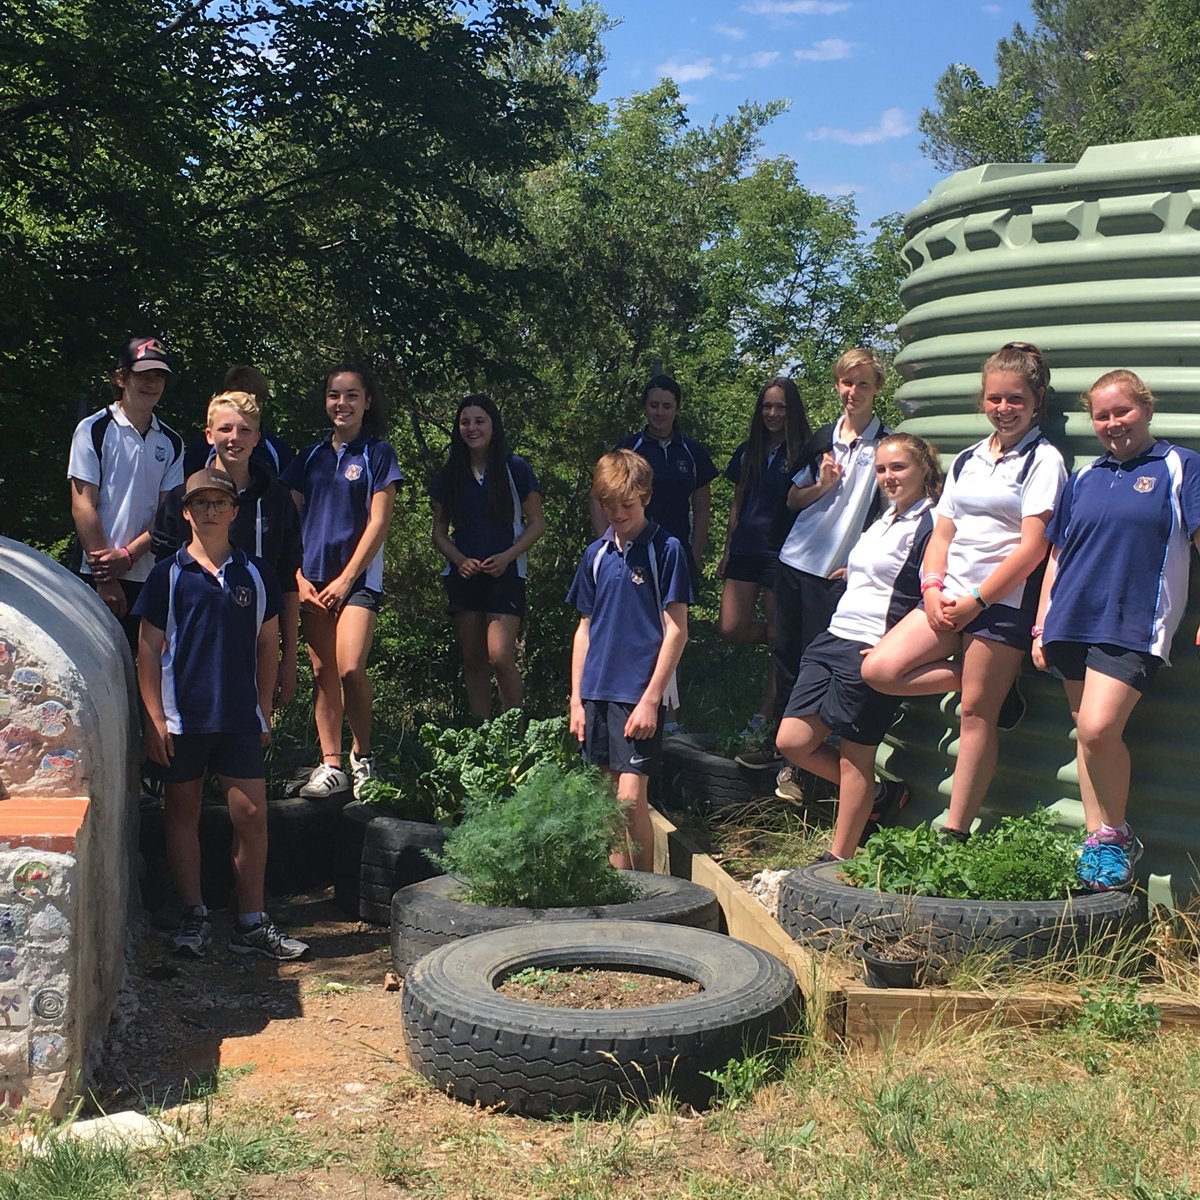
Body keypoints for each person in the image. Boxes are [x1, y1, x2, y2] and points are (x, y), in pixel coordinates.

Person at [862, 342, 1066, 841]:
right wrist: (932, 589)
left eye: (1015, 398)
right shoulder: (969, 459)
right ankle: (984, 682)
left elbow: (1032, 549)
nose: (1003, 409)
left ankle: (955, 830)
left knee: (976, 715)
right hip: (946, 596)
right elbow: (943, 533)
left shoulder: (1044, 460)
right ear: (982, 400)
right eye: (994, 398)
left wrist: (977, 600)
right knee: (879, 669)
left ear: (1037, 398)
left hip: (1000, 602)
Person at [1032, 370, 1200, 890]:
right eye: (1101, 415)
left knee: (1100, 729)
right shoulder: (1084, 475)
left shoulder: (1180, 466)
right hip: (1071, 617)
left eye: (1121, 411)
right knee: (1087, 735)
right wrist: (1041, 622)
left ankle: (1117, 834)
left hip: (1134, 620)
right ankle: (1097, 843)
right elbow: (1056, 553)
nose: (1112, 423)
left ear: (1146, 409)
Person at [134, 467, 307, 960]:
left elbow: (268, 644)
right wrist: (153, 720)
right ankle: (194, 915)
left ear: (235, 511)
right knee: (181, 814)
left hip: (237, 718)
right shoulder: (167, 575)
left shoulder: (256, 574)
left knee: (251, 815)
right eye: (201, 503)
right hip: (180, 720)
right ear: (185, 512)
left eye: (220, 503)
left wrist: (263, 713)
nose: (211, 511)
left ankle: (251, 922)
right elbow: (147, 651)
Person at [776, 435, 941, 858]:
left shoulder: (933, 524)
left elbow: (932, 590)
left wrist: (895, 645)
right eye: (882, 469)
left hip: (870, 644)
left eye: (898, 467)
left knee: (855, 759)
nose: (888, 477)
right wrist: (855, 570)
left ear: (923, 468)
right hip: (834, 636)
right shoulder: (885, 518)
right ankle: (880, 796)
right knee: (792, 741)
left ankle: (840, 858)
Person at [279, 364, 403, 799]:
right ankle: (330, 764)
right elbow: (285, 524)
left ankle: (363, 757)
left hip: (358, 582)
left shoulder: (378, 453)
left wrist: (347, 578)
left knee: (350, 668)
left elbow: (380, 521)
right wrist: (296, 575)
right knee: (322, 672)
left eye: (352, 395)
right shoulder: (309, 458)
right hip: (311, 581)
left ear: (367, 402)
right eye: (334, 394)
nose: (342, 403)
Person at [766, 348, 891, 779]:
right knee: (785, 656)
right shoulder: (822, 438)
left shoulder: (885, 447)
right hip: (795, 561)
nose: (852, 392)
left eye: (862, 384)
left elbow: (889, 516)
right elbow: (791, 499)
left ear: (877, 389)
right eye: (846, 382)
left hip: (836, 575)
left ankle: (813, 761)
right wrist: (823, 485)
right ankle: (783, 755)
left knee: (819, 665)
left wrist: (860, 565)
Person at [568, 450, 692, 871]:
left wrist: (651, 699)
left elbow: (676, 630)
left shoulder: (666, 549)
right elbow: (585, 628)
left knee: (629, 799)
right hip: (597, 691)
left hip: (638, 691)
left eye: (627, 504)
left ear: (646, 497)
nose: (618, 513)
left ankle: (649, 889)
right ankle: (619, 886)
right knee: (606, 801)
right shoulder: (596, 554)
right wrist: (576, 700)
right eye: (609, 505)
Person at [153, 391, 303, 707]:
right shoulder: (184, 498)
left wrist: (289, 658)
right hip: (190, 648)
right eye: (225, 429)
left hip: (255, 649)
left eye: (245, 430)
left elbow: (288, 583)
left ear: (258, 437)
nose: (235, 438)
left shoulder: (277, 502)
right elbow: (162, 584)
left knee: (248, 744)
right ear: (209, 435)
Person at [430, 395, 545, 717]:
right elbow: (438, 533)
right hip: (464, 576)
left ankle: (514, 731)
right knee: (473, 658)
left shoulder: (515, 469)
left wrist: (508, 557)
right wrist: (459, 560)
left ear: (493, 425)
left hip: (506, 574)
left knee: (499, 655)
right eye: (465, 422)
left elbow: (537, 523)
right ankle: (481, 731)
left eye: (479, 421)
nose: (472, 428)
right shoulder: (449, 475)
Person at [67, 336, 185, 650]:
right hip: (93, 573)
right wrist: (106, 575)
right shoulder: (93, 429)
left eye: (158, 376)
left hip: (148, 574)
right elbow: (82, 505)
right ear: (120, 377)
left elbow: (167, 515)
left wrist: (129, 556)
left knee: (144, 676)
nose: (151, 383)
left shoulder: (172, 442)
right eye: (143, 374)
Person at [717, 376, 811, 745]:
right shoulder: (749, 450)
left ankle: (766, 714)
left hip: (782, 552)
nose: (772, 414)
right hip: (745, 548)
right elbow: (737, 500)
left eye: (780, 407)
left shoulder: (804, 451)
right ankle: (789, 638)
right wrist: (727, 547)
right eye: (767, 406)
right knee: (730, 628)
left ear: (792, 410)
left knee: (777, 635)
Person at [592, 374, 717, 593]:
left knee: (672, 621)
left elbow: (702, 510)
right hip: (633, 551)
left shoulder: (692, 452)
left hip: (676, 551)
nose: (660, 412)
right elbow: (597, 495)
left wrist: (694, 557)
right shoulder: (628, 448)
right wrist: (607, 543)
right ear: (645, 407)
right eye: (654, 405)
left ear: (677, 408)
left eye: (667, 406)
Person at [183, 364, 295, 478]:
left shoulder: (279, 450)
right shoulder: (201, 449)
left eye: (257, 400)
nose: (248, 404)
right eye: (240, 398)